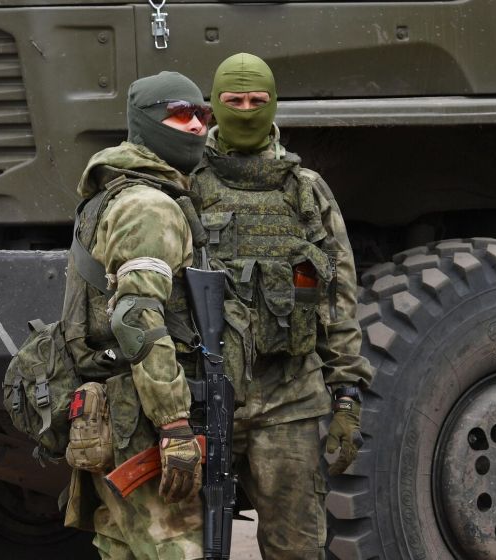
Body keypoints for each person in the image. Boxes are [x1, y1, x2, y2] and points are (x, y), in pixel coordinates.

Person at [191, 53, 374, 559]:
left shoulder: (306, 191)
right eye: (234, 100)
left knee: (296, 547)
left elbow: (338, 299)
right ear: (213, 105)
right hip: (203, 399)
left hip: (289, 398)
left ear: (274, 103)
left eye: (257, 100)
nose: (246, 111)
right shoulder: (187, 186)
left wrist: (346, 396)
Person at [61, 71, 211, 560]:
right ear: (146, 123)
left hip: (112, 408)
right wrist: (174, 424)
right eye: (180, 114)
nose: (197, 126)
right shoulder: (149, 205)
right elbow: (136, 316)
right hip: (140, 419)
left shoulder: (113, 193)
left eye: (202, 114)